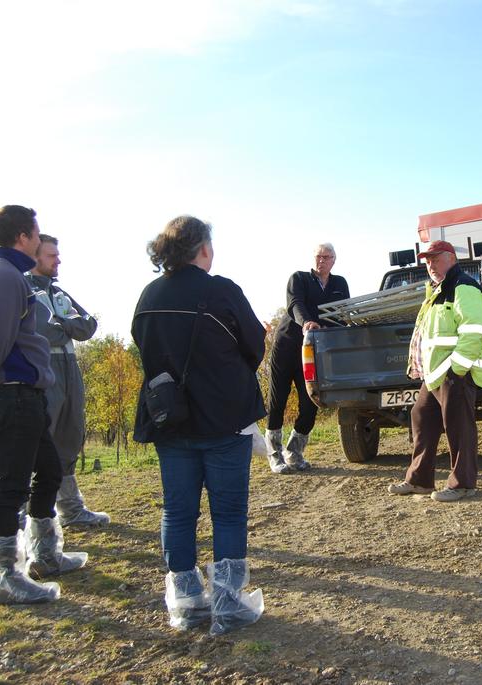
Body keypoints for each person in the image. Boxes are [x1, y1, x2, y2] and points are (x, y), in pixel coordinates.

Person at [132, 215, 266, 634]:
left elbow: (145, 348)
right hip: (224, 418)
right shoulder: (220, 290)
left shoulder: (148, 295)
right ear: (202, 249)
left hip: (169, 419)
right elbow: (255, 345)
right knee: (227, 512)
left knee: (177, 509)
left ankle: (187, 603)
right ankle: (227, 604)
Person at [0, 205, 88, 605]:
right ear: (22, 237)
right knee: (12, 484)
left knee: (48, 472)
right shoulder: (2, 277)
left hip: (26, 394)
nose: (38, 238)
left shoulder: (6, 276)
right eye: (36, 233)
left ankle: (45, 556)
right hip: (12, 393)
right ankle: (3, 576)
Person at [386, 240, 482, 503]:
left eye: (436, 258)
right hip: (435, 373)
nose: (430, 264)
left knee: (459, 427)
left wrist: (458, 368)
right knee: (421, 417)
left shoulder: (463, 287)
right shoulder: (437, 291)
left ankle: (463, 484)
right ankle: (420, 480)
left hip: (454, 372)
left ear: (451, 259)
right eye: (427, 260)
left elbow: (474, 330)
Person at [27, 235, 109, 527]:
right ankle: (29, 515)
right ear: (35, 257)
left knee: (71, 433)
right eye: (52, 255)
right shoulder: (24, 290)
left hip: (70, 367)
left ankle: (71, 510)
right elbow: (44, 331)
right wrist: (66, 327)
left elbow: (88, 326)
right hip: (44, 368)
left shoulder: (59, 293)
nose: (58, 260)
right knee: (41, 439)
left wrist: (62, 325)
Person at [265, 243, 349, 473]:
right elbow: (295, 305)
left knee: (311, 402)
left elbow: (342, 312)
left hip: (314, 352)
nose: (321, 260)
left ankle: (294, 452)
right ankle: (275, 454)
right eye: (318, 256)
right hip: (288, 345)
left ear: (334, 260)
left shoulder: (339, 283)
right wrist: (307, 323)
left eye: (326, 257)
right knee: (278, 400)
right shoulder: (299, 278)